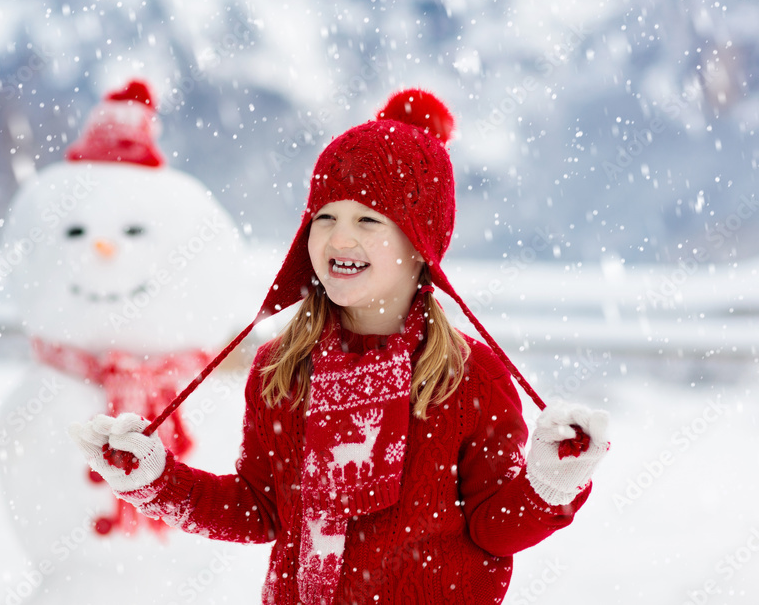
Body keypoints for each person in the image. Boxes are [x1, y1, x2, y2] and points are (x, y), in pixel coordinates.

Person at [69, 88, 610, 604]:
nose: (339, 238)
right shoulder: (279, 370)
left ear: (420, 243)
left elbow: (494, 529)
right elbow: (259, 510)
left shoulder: (470, 378)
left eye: (368, 219)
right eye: (324, 217)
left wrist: (547, 486)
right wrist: (157, 480)